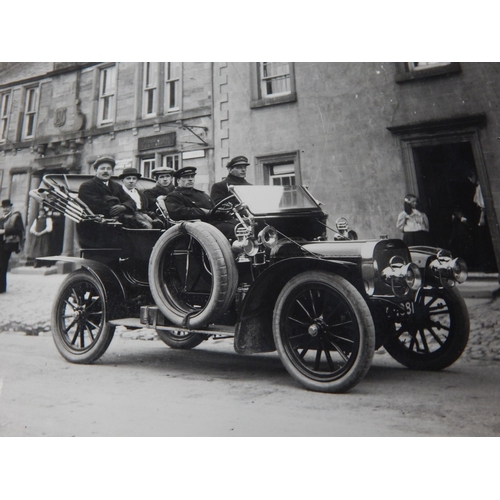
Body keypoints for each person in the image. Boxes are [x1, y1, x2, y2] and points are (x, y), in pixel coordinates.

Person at [166, 167, 238, 240]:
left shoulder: (202, 194)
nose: (190, 179)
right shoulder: (174, 196)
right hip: (197, 228)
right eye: (186, 177)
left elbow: (213, 209)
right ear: (178, 180)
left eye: (192, 176)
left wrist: (224, 211)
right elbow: (177, 213)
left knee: (241, 225)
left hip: (210, 225)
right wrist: (204, 212)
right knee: (232, 229)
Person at [0, 199, 25, 293]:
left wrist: (5, 231)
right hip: (1, 244)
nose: (5, 209)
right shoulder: (1, 219)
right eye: (4, 208)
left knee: (3, 265)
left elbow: (19, 230)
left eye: (7, 207)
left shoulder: (15, 217)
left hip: (8, 244)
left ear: (10, 207)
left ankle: (2, 288)